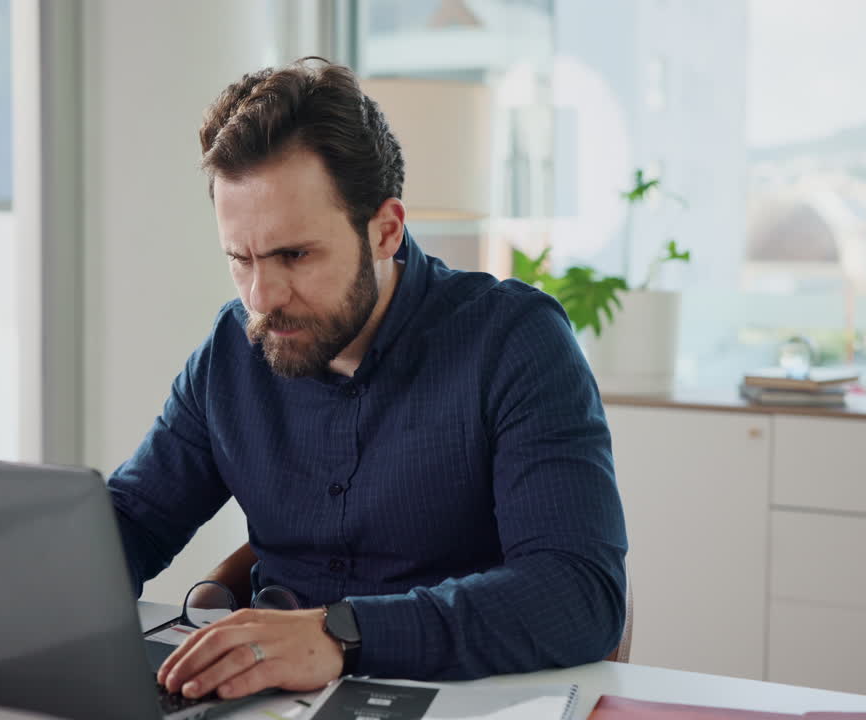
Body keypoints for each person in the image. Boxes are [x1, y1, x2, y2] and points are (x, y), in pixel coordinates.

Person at [107, 58, 627, 702]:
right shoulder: (231, 351)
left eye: (294, 255)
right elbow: (134, 520)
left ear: (385, 229)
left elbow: (578, 593)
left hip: (470, 701)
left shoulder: (514, 343)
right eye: (240, 259)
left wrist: (342, 635)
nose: (262, 296)